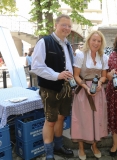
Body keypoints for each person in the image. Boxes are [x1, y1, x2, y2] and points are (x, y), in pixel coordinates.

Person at [31, 14, 74, 160]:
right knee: (50, 121)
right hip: (50, 88)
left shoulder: (67, 44)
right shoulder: (44, 42)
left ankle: (58, 146)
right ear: (55, 25)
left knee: (61, 118)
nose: (67, 28)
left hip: (67, 87)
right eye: (64, 25)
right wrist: (57, 75)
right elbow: (36, 66)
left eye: (69, 26)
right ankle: (49, 154)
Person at [71, 31, 108, 160]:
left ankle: (94, 145)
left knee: (98, 119)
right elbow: (76, 75)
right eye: (94, 40)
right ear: (89, 41)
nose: (96, 43)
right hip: (83, 90)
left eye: (99, 41)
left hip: (98, 91)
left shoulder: (103, 56)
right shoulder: (81, 55)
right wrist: (86, 87)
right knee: (82, 119)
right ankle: (81, 148)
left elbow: (104, 76)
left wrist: (100, 83)